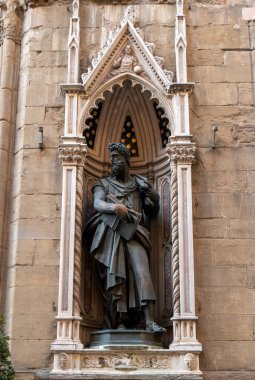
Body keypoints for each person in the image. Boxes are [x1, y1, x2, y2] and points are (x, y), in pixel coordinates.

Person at [85, 143, 165, 332]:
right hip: (111, 234)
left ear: (126, 160)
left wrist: (151, 194)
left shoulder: (139, 183)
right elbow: (97, 203)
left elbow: (153, 211)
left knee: (142, 272)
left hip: (135, 234)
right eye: (111, 158)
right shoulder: (102, 183)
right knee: (116, 277)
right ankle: (119, 321)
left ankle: (150, 320)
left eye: (116, 158)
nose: (113, 162)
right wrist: (114, 208)